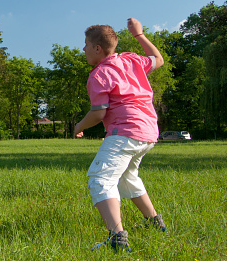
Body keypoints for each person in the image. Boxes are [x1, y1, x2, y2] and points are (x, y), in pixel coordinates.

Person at [74, 18, 167, 252]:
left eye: (85, 44)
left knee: (100, 179)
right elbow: (159, 59)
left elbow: (98, 113)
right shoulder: (131, 59)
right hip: (147, 132)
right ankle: (156, 224)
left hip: (124, 133)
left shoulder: (99, 74)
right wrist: (140, 35)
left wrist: (78, 126)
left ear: (97, 48)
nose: (83, 49)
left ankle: (116, 238)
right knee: (127, 178)